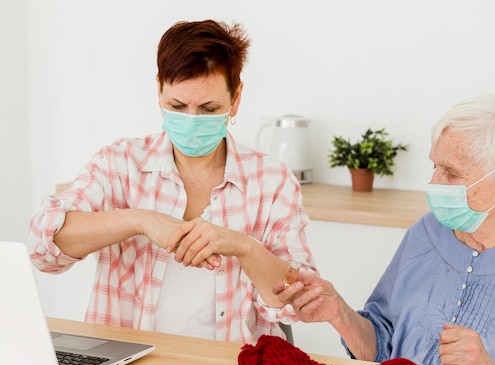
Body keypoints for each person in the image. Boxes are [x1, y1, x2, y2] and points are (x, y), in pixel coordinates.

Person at [276, 93, 495, 365]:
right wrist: (339, 314)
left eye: (450, 172)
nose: (433, 183)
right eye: (435, 166)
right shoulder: (426, 233)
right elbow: (382, 349)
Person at [27, 19, 316, 344]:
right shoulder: (120, 163)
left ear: (235, 99)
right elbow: (42, 248)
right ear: (159, 90)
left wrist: (243, 247)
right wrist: (141, 220)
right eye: (178, 106)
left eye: (209, 108)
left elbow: (299, 299)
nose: (192, 119)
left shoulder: (271, 181)